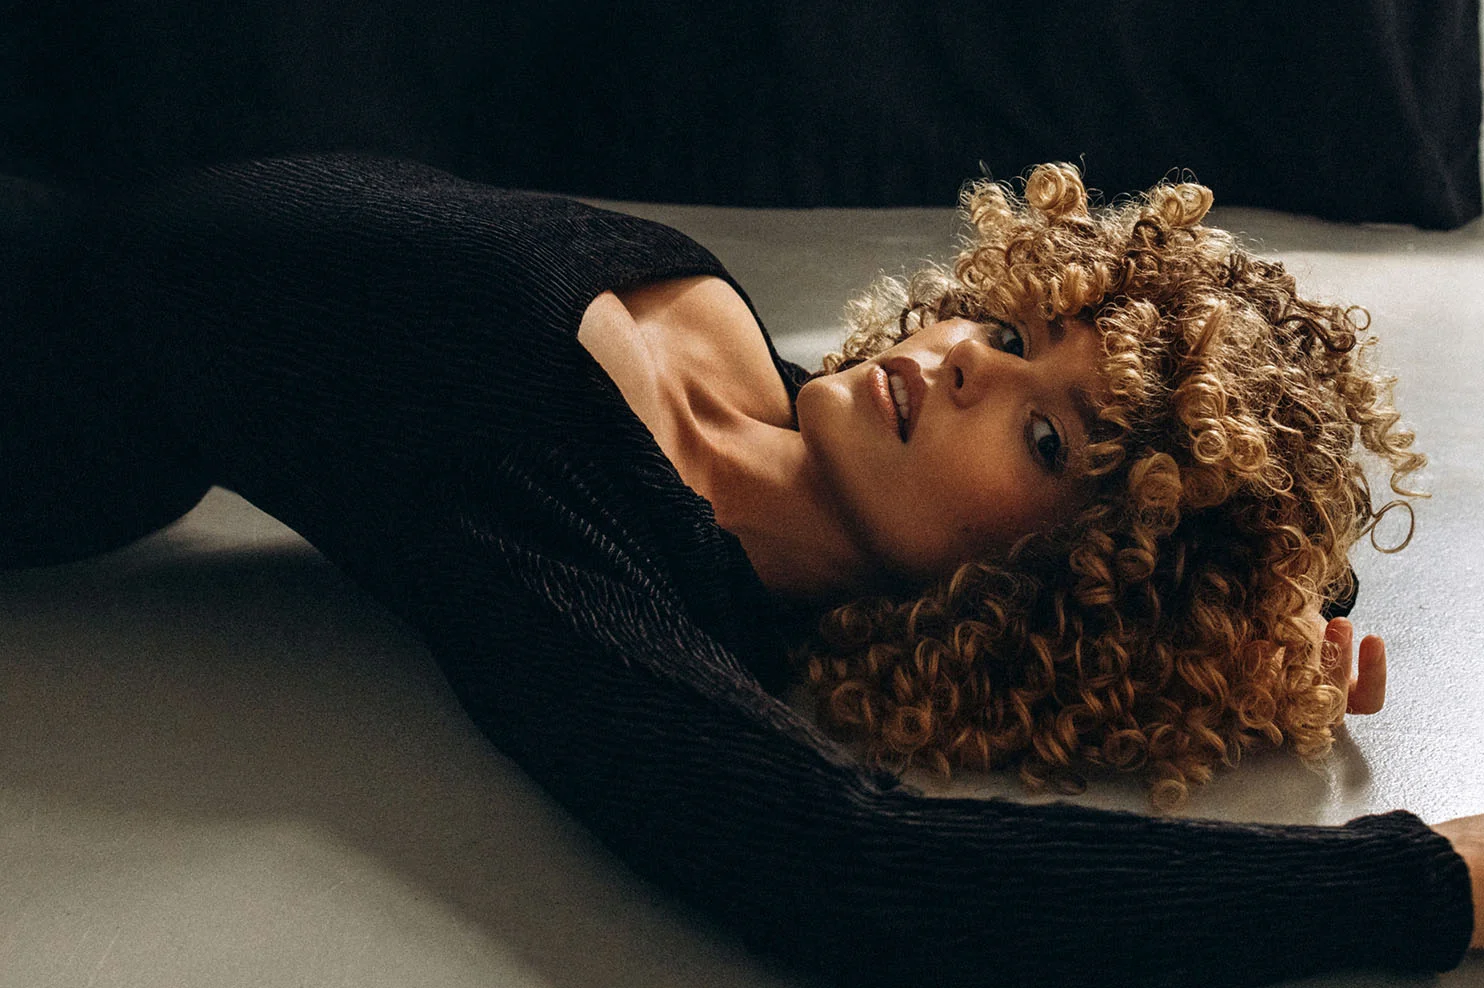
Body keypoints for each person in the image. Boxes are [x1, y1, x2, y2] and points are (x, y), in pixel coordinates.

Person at [1, 153, 1479, 986]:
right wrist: (1279, 608)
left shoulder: (576, 537)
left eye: (1043, 435)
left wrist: (1423, 887)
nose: (961, 359)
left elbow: (858, 871)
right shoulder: (770, 392)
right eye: (1026, 333)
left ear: (1058, 588)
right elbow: (1209, 533)